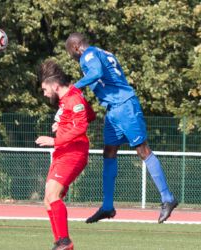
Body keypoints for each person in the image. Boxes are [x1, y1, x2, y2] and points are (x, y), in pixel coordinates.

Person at [65, 32, 178, 224]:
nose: (73, 57)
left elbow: (96, 73)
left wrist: (74, 88)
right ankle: (108, 206)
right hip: (113, 109)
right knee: (109, 152)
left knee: (142, 150)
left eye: (70, 53)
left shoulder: (88, 55)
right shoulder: (103, 52)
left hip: (125, 105)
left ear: (76, 47)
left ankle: (167, 198)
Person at [35, 60, 96, 250]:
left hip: (73, 152)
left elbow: (82, 126)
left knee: (53, 195)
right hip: (63, 152)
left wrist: (55, 139)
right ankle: (60, 242)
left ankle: (64, 242)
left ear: (54, 85)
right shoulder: (67, 100)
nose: (45, 94)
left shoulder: (73, 98)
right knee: (48, 200)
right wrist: (62, 124)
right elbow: (90, 115)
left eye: (45, 89)